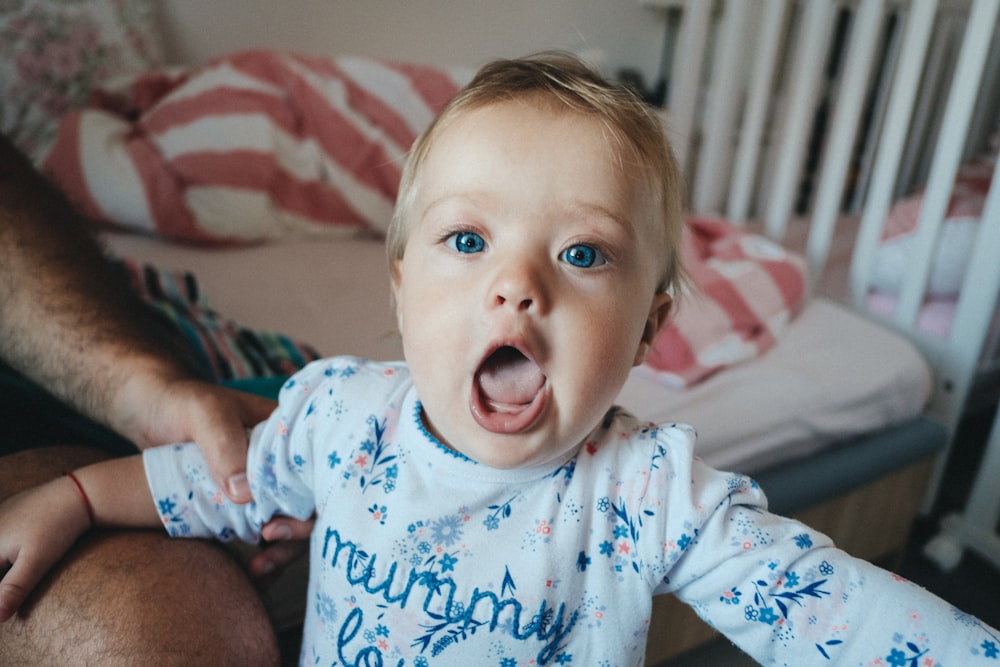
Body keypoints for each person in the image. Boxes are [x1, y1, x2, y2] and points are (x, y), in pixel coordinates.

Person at [2, 52, 998, 665]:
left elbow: (835, 610)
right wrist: (80, 498)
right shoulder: (340, 418)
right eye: (469, 241)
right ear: (400, 286)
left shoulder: (648, 493)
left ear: (648, 331)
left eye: (580, 253)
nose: (519, 286)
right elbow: (211, 478)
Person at [0, 131, 312, 664]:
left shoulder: (350, 415)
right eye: (467, 242)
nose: (508, 288)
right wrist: (74, 499)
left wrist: (142, 391)